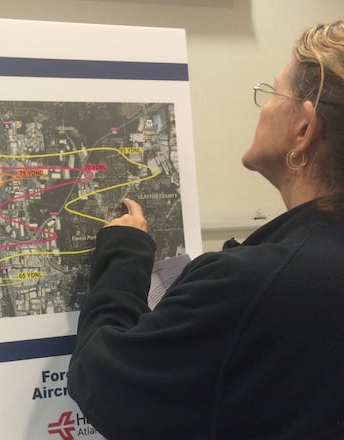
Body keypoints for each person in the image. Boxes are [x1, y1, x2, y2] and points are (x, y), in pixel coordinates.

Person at [67, 19, 344, 439]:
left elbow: (104, 381)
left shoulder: (257, 284)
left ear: (304, 128)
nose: (264, 107)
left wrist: (124, 254)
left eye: (273, 93)